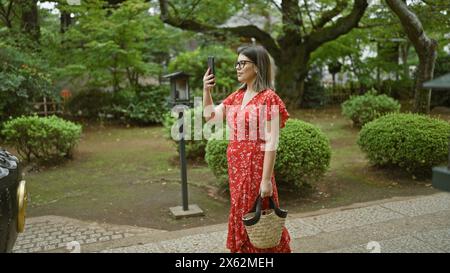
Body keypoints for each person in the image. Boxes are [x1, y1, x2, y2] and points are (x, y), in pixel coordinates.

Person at [202, 45, 291, 253]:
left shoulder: (268, 97)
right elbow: (210, 116)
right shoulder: (236, 96)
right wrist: (206, 90)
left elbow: (272, 142)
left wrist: (266, 179)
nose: (237, 67)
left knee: (255, 214)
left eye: (243, 63)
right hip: (236, 168)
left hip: (255, 167)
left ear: (258, 67)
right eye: (237, 63)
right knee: (241, 211)